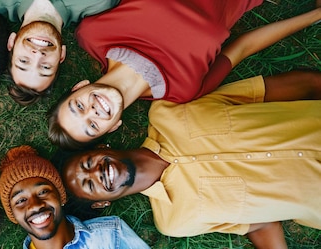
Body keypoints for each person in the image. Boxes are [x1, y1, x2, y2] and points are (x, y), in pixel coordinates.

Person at [58, 71, 321, 248]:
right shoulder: (176, 221)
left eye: (87, 163)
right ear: (104, 202)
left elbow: (261, 92)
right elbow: (261, 221)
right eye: (90, 185)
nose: (96, 173)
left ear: (102, 146)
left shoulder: (167, 111)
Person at [48, 1, 321, 149]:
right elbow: (243, 47)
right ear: (115, 127)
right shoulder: (183, 90)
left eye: (79, 106)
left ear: (79, 86)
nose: (92, 110)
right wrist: (314, 15)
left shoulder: (93, 34)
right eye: (92, 126)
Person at [0, 0, 120, 105]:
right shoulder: (99, 3)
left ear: (11, 42)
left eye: (24, 61)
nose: (38, 55)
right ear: (62, 55)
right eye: (45, 67)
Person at [0, 145, 149, 248]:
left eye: (43, 192)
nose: (36, 204)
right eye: (21, 200)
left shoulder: (112, 234)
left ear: (60, 197)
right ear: (13, 216)